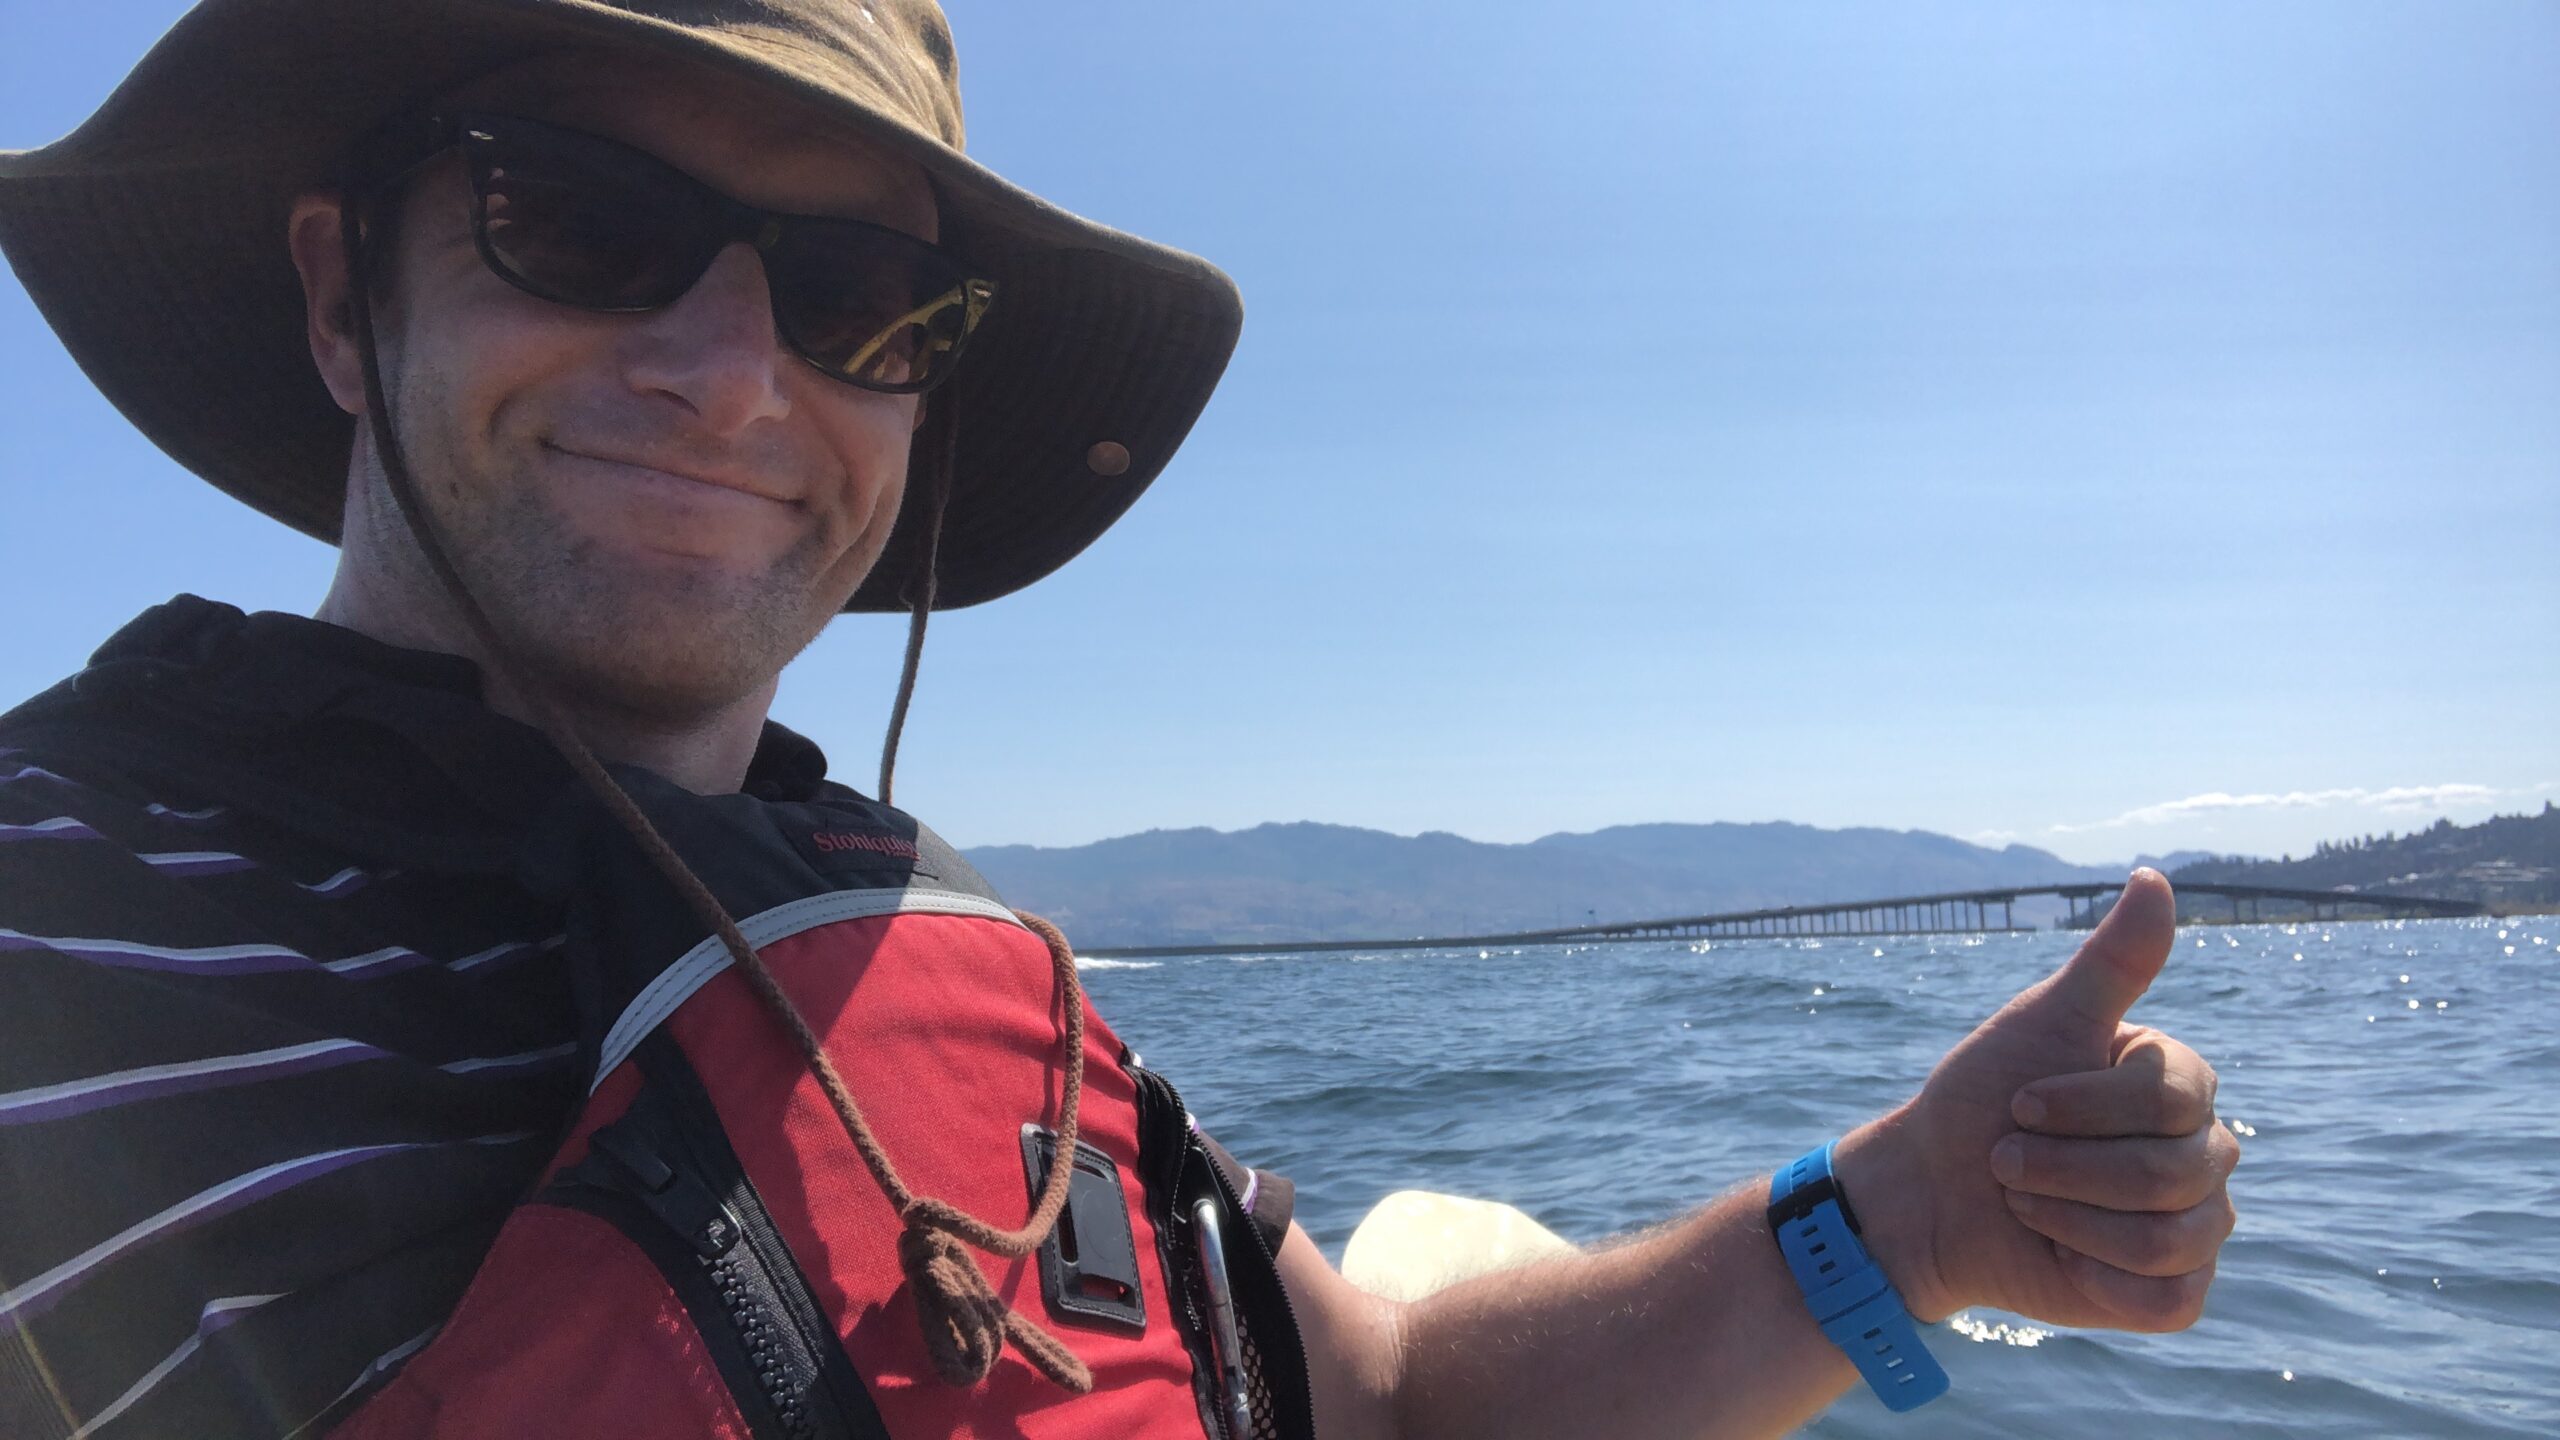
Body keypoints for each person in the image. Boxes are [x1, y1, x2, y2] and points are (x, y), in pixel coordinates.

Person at [0, 2, 2239, 1437]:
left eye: (859, 297)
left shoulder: (948, 968)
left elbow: (1373, 1400)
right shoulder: (51, 922)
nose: (724, 368)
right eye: (573, 217)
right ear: (335, 292)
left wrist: (1895, 1221)